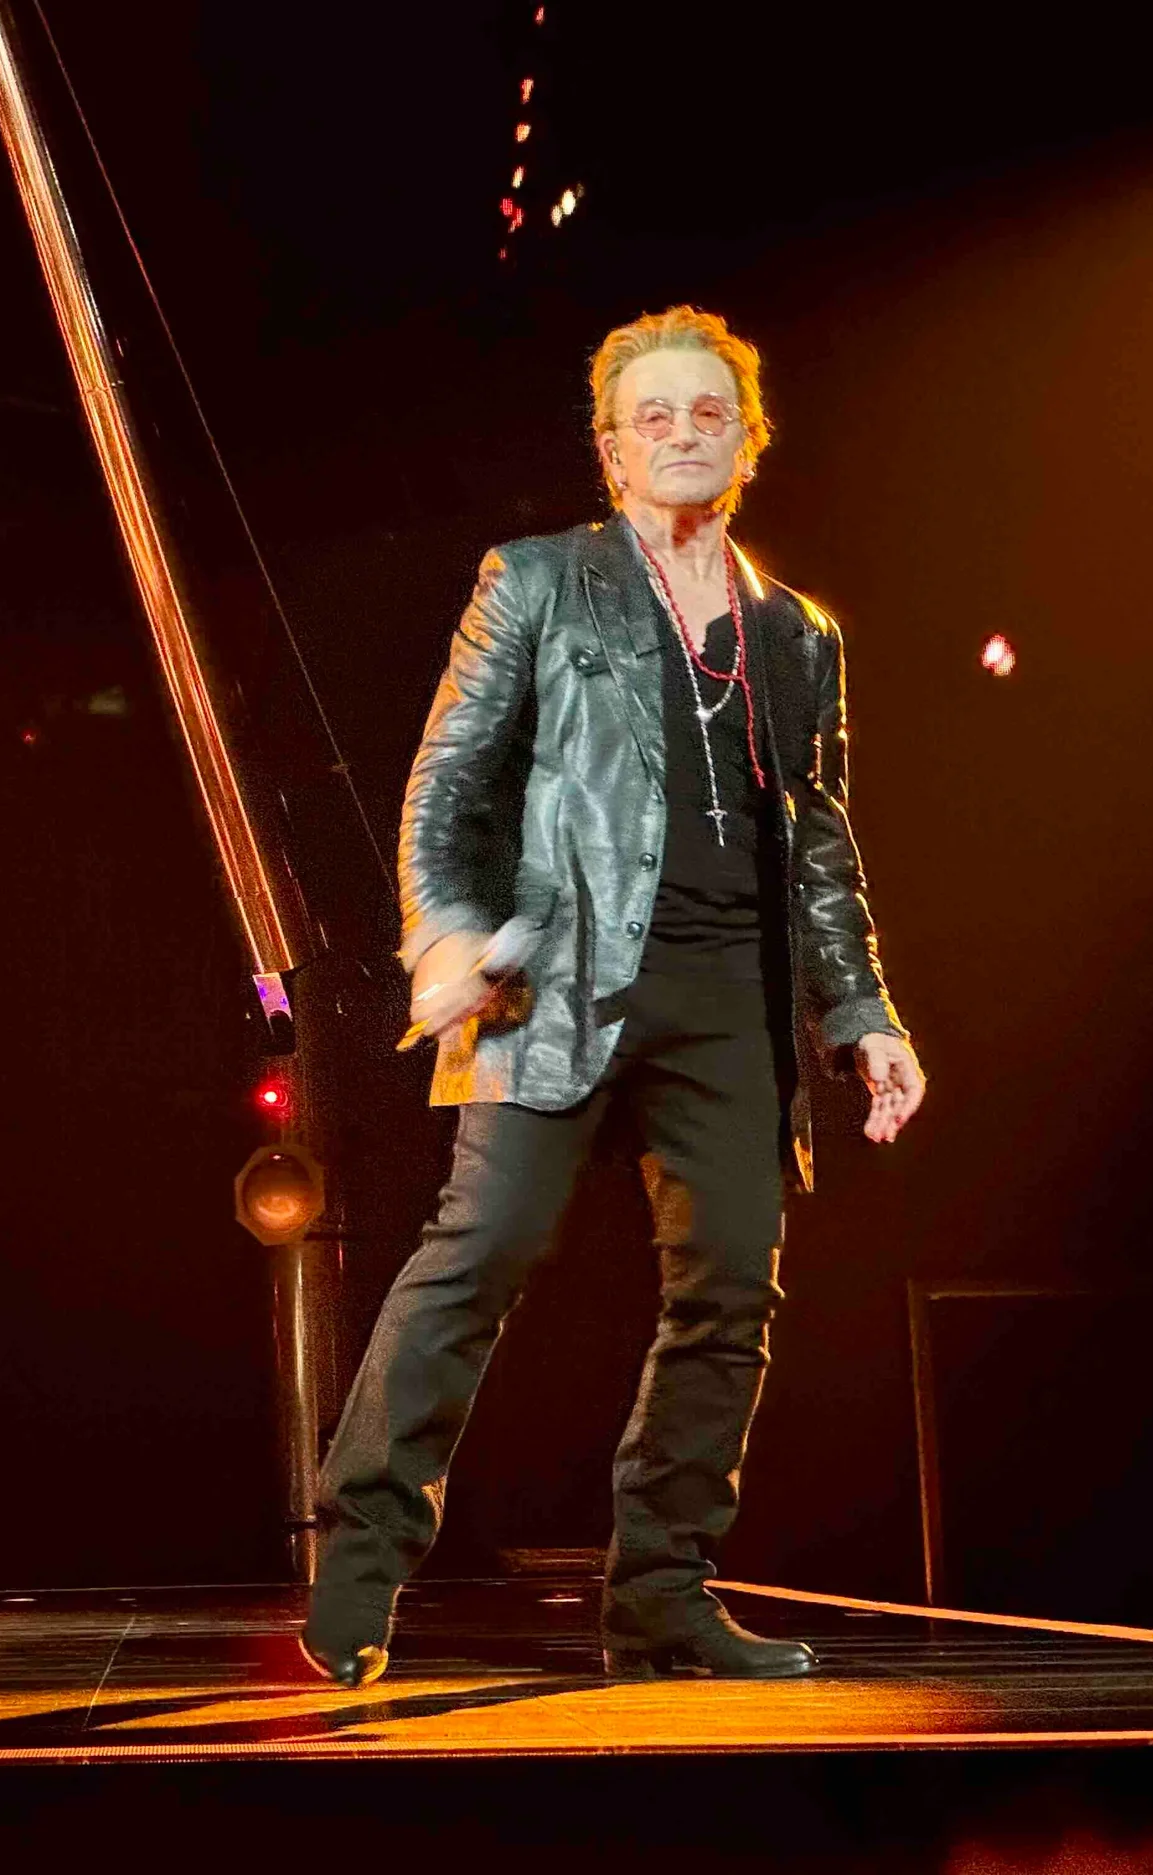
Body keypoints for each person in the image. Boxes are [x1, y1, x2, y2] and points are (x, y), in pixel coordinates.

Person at [302, 306, 927, 1689]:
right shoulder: (535, 579)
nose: (685, 434)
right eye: (656, 415)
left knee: (728, 1295)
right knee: (482, 1255)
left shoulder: (798, 631)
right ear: (610, 446)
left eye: (711, 412)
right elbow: (446, 781)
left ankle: (665, 1596)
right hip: (555, 981)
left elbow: (821, 839)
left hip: (734, 997)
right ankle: (355, 1569)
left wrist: (862, 1011)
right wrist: (444, 936)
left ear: (749, 437)